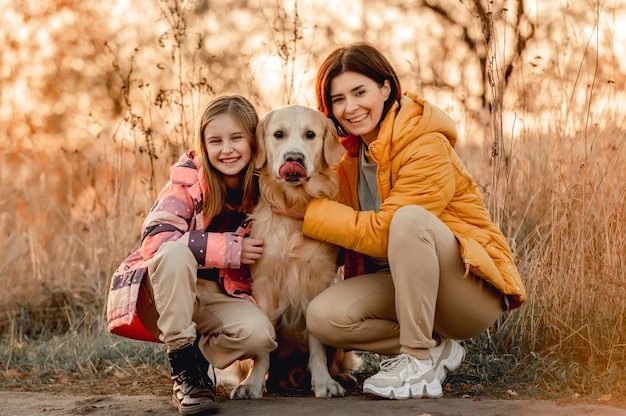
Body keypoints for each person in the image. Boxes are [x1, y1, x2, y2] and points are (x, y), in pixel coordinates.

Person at [275, 42, 526, 400]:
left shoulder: (424, 142)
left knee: (407, 221)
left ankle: (418, 361)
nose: (351, 107)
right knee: (322, 317)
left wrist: (312, 213)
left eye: (360, 92)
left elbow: (384, 235)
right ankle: (438, 348)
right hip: (399, 286)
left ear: (386, 87)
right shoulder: (343, 160)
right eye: (339, 99)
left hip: (467, 291)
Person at [107, 94, 277, 414]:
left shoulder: (265, 187)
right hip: (163, 292)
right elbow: (156, 241)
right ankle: (184, 367)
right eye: (216, 140)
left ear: (254, 141)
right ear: (203, 144)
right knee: (173, 252)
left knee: (260, 336)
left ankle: (200, 361)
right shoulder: (187, 182)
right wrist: (229, 249)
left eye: (237, 138)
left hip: (218, 298)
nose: (226, 149)